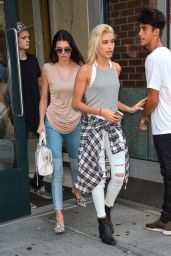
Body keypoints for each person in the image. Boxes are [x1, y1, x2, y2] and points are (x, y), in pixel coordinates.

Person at [72, 24, 146, 246]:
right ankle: (102, 222)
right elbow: (76, 103)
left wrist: (129, 109)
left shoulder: (116, 68)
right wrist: (100, 111)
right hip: (93, 127)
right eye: (105, 42)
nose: (110, 46)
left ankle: (106, 209)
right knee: (98, 176)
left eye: (112, 41)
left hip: (113, 127)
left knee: (119, 175)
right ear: (96, 43)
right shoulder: (86, 70)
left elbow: (112, 99)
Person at [37, 29, 86, 234]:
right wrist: (41, 122)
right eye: (59, 50)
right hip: (53, 121)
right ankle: (59, 214)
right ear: (55, 51)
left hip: (75, 121)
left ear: (72, 48)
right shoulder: (48, 68)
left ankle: (76, 188)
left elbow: (86, 97)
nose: (63, 53)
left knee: (76, 163)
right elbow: (44, 98)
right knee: (57, 170)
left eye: (67, 49)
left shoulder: (80, 68)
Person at [138, 7, 171, 236]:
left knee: (169, 174)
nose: (140, 33)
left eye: (144, 29)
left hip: (165, 126)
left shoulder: (153, 58)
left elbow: (153, 98)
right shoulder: (168, 54)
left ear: (156, 32)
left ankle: (167, 220)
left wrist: (143, 116)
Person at [17, 21, 51, 199]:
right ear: (14, 40)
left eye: (28, 37)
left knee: (46, 148)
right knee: (19, 154)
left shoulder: (32, 60)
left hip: (36, 112)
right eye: (24, 37)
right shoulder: (9, 63)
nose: (28, 39)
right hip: (19, 115)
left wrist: (45, 110)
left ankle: (37, 182)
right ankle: (20, 188)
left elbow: (40, 85)